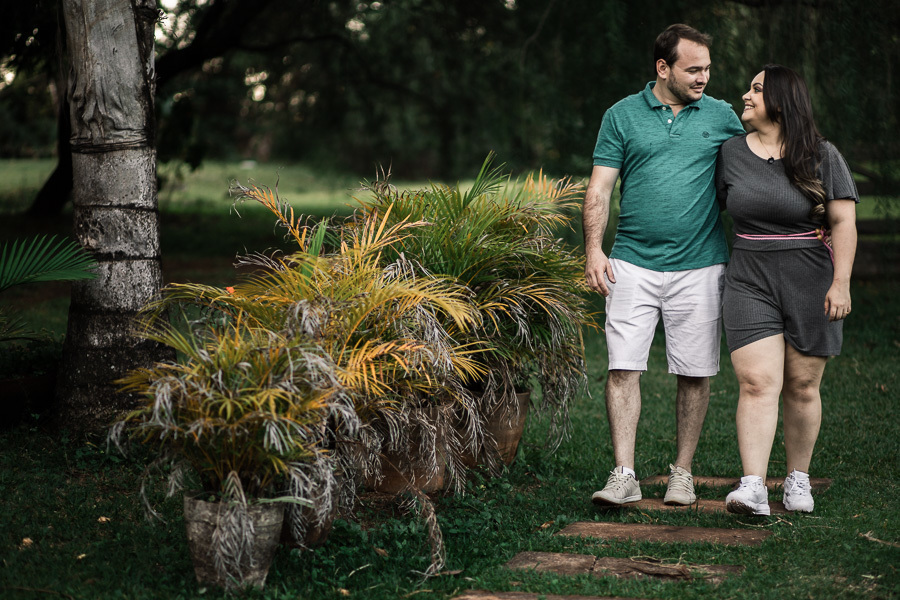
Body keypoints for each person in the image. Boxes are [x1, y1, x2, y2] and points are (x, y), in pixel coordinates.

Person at [584, 24, 745, 506]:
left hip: (700, 265)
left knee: (695, 371)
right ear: (663, 67)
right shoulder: (622, 115)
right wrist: (594, 249)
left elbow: (756, 167)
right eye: (693, 69)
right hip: (631, 262)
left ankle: (683, 473)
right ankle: (624, 474)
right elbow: (599, 189)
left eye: (708, 68)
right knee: (622, 367)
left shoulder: (721, 116)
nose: (703, 77)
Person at [717, 64, 857, 515]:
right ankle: (753, 486)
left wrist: (841, 283)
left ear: (779, 100)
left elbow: (843, 222)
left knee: (801, 385)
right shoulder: (730, 153)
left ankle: (798, 480)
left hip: (810, 277)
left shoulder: (822, 154)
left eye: (756, 89)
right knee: (757, 382)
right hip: (749, 276)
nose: (746, 94)